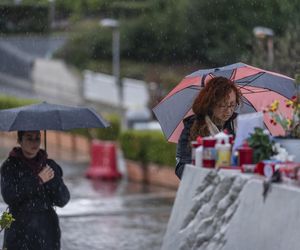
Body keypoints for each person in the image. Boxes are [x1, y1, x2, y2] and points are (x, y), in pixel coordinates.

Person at [1, 130, 70, 250]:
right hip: (18, 232)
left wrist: (51, 181)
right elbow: (9, 196)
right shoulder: (9, 166)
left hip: (47, 233)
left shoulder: (50, 166)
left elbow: (63, 200)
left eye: (37, 138)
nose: (34, 142)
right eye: (29, 138)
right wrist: (37, 180)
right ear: (19, 141)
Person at [175, 76, 242, 179]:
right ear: (210, 104)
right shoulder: (193, 126)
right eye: (223, 105)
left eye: (232, 105)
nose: (228, 111)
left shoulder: (238, 123)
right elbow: (181, 167)